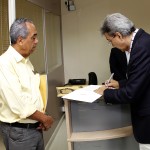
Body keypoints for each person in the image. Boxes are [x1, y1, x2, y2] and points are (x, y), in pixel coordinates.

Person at [95, 13, 150, 150]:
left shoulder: (142, 48)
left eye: (109, 41)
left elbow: (132, 93)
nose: (110, 44)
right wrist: (120, 84)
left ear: (118, 35)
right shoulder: (141, 41)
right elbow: (142, 78)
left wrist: (105, 93)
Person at [0, 18, 54, 150]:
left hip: (34, 127)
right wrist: (45, 118)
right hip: (19, 132)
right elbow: (19, 105)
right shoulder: (4, 63)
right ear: (20, 40)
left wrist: (42, 117)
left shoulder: (26, 61)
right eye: (33, 37)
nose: (37, 41)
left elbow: (31, 94)